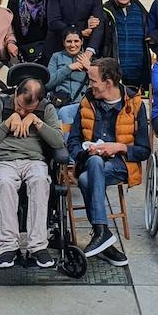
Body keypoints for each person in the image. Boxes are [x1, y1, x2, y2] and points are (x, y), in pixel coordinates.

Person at [65, 57, 147, 266]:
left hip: (121, 165)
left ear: (108, 82)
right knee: (92, 166)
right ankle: (103, 236)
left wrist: (118, 147)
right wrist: (86, 151)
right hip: (90, 161)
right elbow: (73, 140)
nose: (89, 84)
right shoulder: (88, 101)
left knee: (86, 179)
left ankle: (102, 234)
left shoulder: (135, 104)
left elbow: (144, 150)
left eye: (93, 80)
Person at [0, 76, 64, 268]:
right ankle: (8, 247)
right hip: (4, 160)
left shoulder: (46, 108)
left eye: (29, 108)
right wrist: (7, 123)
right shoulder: (1, 104)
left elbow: (59, 141)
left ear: (38, 102)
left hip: (34, 159)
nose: (22, 111)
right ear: (16, 94)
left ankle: (37, 247)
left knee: (40, 180)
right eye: (20, 106)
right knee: (5, 184)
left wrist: (36, 121)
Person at [93, 0, 150, 90]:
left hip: (138, 74)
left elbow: (153, 30)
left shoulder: (141, 12)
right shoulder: (105, 12)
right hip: (114, 74)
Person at [46, 29, 90, 123]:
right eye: (69, 41)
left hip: (81, 104)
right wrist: (68, 68)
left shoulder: (87, 58)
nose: (73, 45)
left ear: (82, 42)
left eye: (76, 41)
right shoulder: (56, 57)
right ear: (64, 43)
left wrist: (89, 68)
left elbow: (98, 84)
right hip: (60, 103)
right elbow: (48, 83)